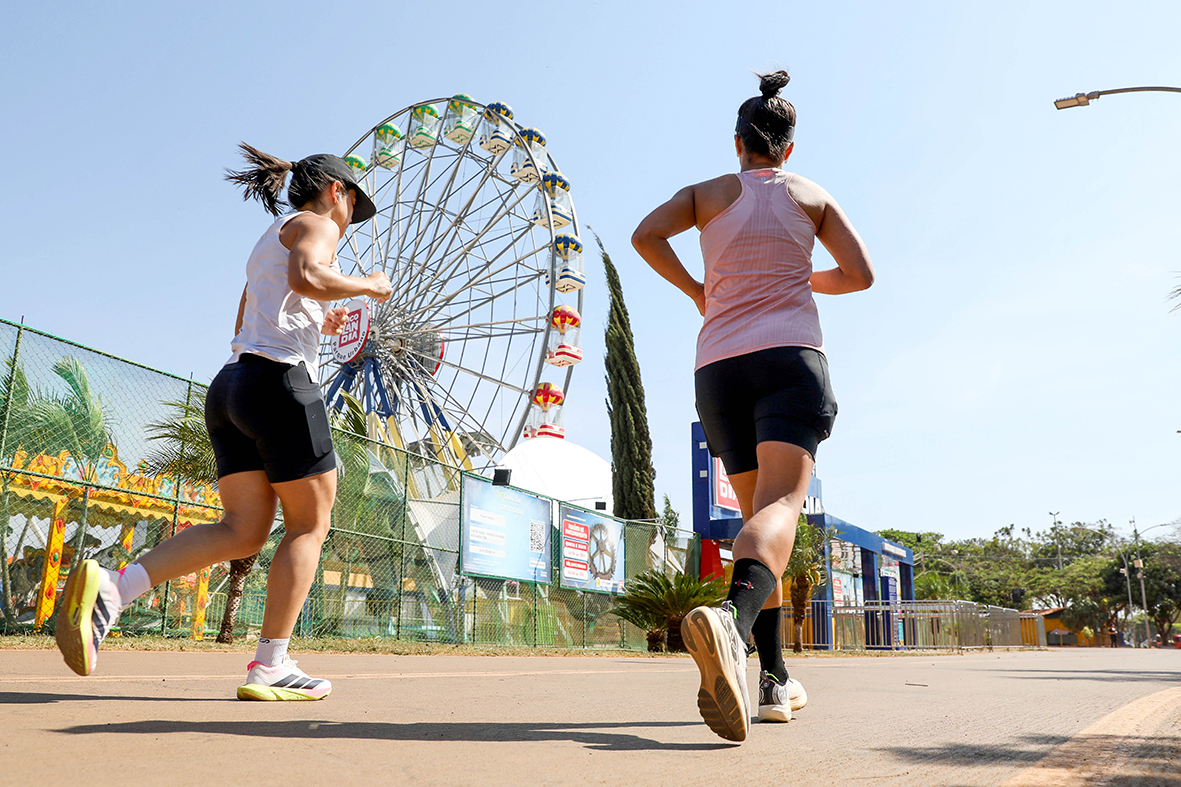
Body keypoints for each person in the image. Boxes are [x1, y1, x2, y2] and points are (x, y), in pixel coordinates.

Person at [55, 144, 392, 701]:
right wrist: (366, 286)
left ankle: (116, 590)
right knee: (310, 524)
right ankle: (271, 666)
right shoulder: (317, 224)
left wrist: (316, 314)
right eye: (352, 207)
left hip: (232, 384)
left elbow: (254, 312)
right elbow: (309, 273)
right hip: (280, 384)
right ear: (337, 190)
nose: (349, 221)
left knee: (243, 530)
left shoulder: (272, 235)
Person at [632, 71, 874, 742]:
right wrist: (798, 275)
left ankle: (771, 680)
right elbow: (859, 274)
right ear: (788, 149)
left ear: (736, 142)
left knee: (754, 523)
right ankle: (732, 631)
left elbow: (645, 234)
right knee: (779, 512)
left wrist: (696, 290)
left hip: (719, 368)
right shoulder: (809, 194)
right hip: (788, 360)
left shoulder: (706, 194)